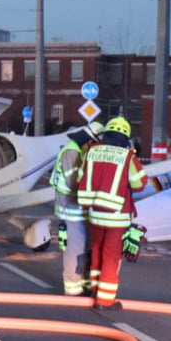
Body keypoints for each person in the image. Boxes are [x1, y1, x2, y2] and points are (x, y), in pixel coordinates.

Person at [77, 116, 147, 310]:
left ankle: (94, 290)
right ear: (126, 138)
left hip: (94, 213)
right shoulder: (127, 157)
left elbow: (81, 177)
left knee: (97, 250)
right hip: (116, 216)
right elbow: (139, 184)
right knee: (111, 256)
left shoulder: (92, 152)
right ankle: (105, 300)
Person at [49, 121, 104, 296]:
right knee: (75, 248)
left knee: (85, 246)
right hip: (70, 207)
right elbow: (74, 182)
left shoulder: (77, 150)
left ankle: (84, 283)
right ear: (90, 140)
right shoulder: (71, 152)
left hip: (77, 206)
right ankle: (73, 288)